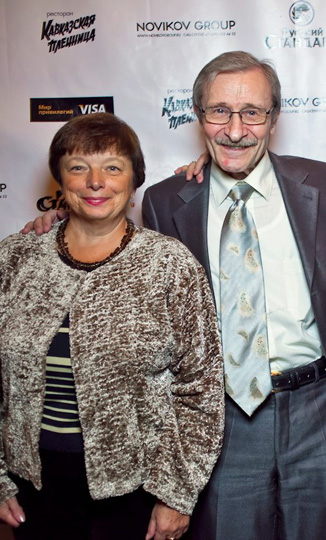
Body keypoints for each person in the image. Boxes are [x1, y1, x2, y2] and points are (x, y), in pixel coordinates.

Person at [142, 51, 326, 539]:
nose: (235, 130)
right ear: (198, 115)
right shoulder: (165, 202)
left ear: (274, 118)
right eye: (219, 111)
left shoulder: (322, 183)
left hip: (317, 412)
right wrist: (60, 221)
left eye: (252, 113)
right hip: (219, 420)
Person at [0, 113, 225, 540]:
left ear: (134, 180)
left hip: (137, 492)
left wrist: (176, 494)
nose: (95, 182)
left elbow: (202, 388)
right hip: (32, 489)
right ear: (60, 179)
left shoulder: (169, 265)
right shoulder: (14, 259)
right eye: (78, 167)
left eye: (112, 168)